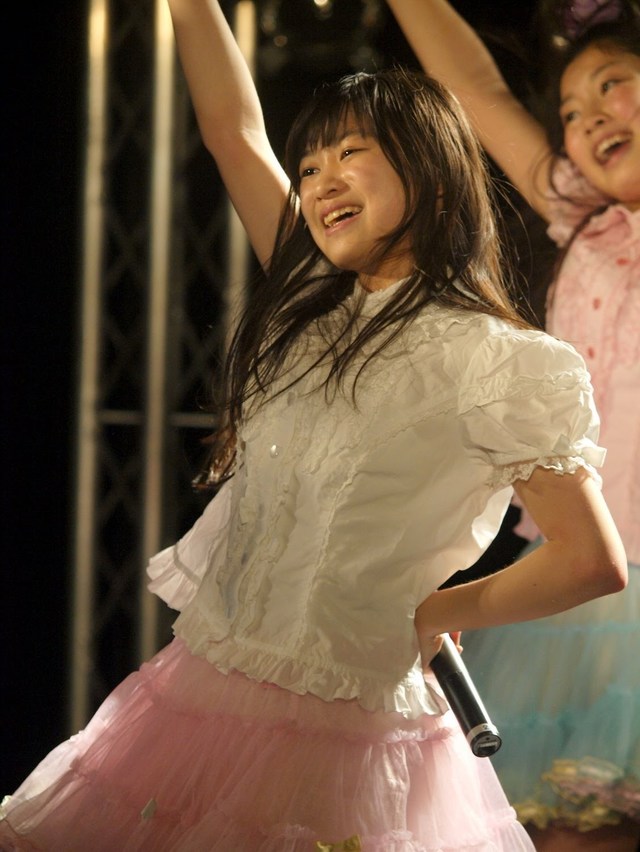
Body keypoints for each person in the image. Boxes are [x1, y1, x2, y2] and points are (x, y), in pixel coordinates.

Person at [0, 0, 628, 849]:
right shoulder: (310, 309)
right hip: (200, 697)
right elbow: (233, 132)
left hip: (350, 732)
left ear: (436, 176)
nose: (322, 179)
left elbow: (589, 560)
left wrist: (432, 613)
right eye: (309, 165)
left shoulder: (505, 363)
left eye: (351, 154)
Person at [384, 1, 640, 850]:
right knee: (560, 832)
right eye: (570, 111)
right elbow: (476, 88)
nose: (587, 119)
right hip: (580, 593)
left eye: (613, 86)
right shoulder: (585, 219)